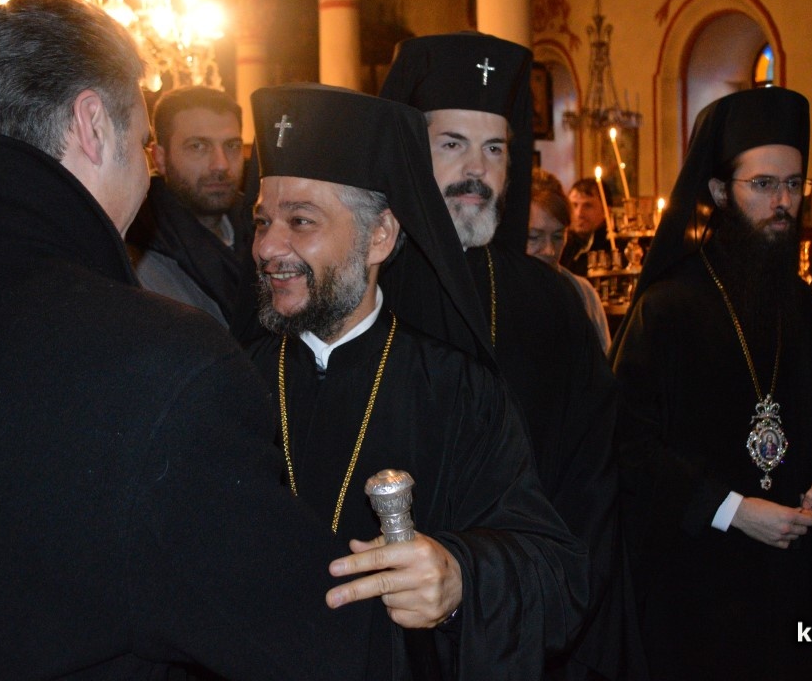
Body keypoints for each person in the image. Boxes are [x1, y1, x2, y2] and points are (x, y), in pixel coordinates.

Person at [0, 0, 374, 680]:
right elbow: (312, 644)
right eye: (140, 142)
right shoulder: (165, 367)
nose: (148, 170)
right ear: (92, 125)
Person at [247, 82, 589, 680]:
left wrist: (458, 577)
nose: (269, 246)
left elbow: (557, 578)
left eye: (300, 221)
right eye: (262, 221)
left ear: (379, 236)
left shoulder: (459, 392)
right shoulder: (225, 381)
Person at [379, 32, 624, 681]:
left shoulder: (550, 300)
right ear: (408, 153)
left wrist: (546, 604)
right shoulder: (364, 289)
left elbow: (591, 478)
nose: (477, 169)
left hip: (524, 624)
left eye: (495, 148)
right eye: (452, 144)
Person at [610, 87, 812, 681]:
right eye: (763, 184)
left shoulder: (804, 307)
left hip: (789, 583)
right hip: (696, 582)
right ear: (720, 192)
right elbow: (627, 444)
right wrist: (732, 509)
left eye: (793, 185)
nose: (783, 203)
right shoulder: (668, 307)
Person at [126, 85, 250, 326]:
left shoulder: (262, 230)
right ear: (160, 158)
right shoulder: (137, 250)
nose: (221, 165)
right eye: (198, 146)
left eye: (232, 146)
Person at [528, 175, 611, 351]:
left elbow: (602, 362)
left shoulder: (582, 292)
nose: (549, 250)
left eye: (558, 237)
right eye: (534, 237)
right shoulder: (491, 293)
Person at [561, 178, 614, 276]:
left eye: (587, 206)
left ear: (606, 211)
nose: (579, 213)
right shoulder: (562, 244)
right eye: (574, 205)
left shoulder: (615, 248)